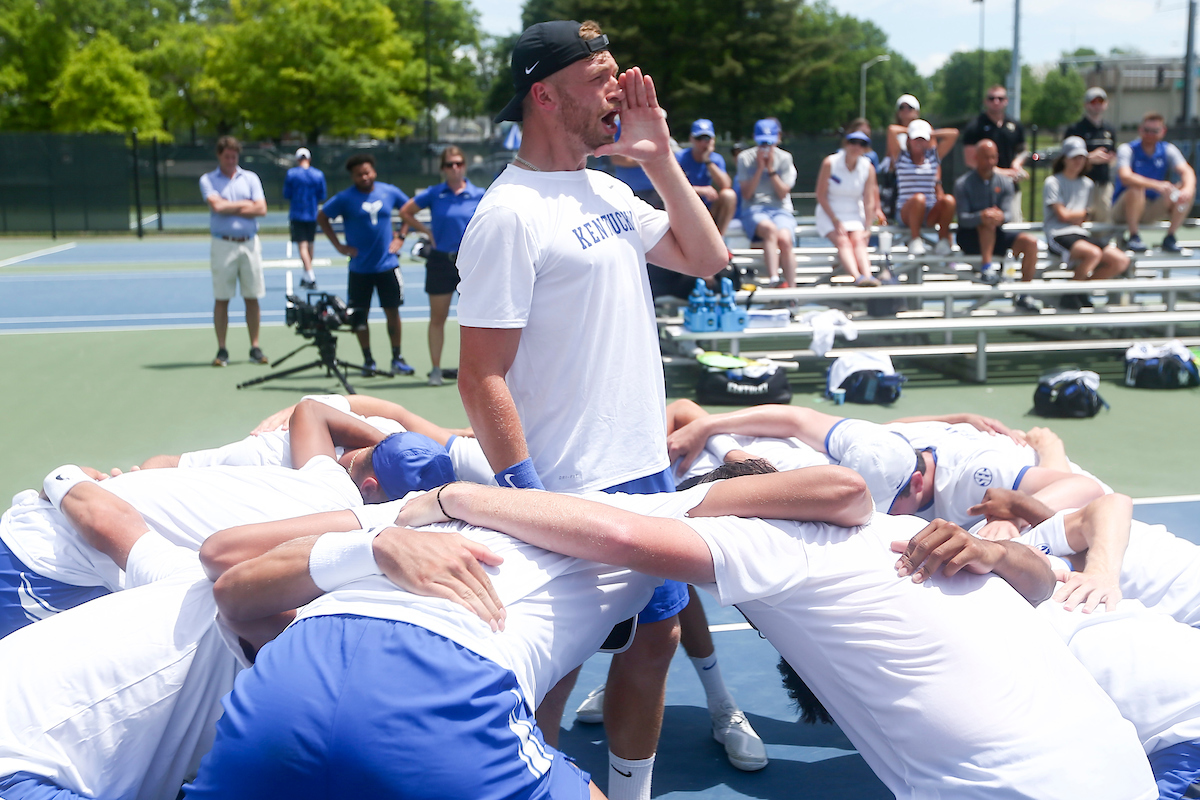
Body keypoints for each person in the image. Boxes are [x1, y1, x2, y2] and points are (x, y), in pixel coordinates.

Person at [388, 478, 1158, 800]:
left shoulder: (778, 545)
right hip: (1120, 771)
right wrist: (995, 552)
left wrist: (455, 498)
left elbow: (621, 536)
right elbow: (1035, 581)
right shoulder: (915, 532)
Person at [455, 19, 726, 799]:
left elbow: (706, 260)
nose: (619, 88)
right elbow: (481, 376)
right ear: (546, 94)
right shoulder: (508, 214)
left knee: (658, 635)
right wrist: (525, 495)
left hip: (644, 470)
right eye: (599, 76)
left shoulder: (607, 187)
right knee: (555, 665)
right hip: (567, 485)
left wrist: (661, 159)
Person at [318, 154, 414, 377]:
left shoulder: (388, 191)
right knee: (359, 316)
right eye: (359, 174)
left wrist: (400, 236)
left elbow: (409, 209)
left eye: (367, 172)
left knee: (393, 312)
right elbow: (322, 217)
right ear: (352, 176)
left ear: (374, 172)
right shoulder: (344, 198)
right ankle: (368, 361)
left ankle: (397, 358)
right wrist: (339, 246)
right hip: (359, 269)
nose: (364, 177)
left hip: (387, 266)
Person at [399, 145, 485, 386]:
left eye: (458, 163)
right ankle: (436, 369)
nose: (454, 168)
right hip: (440, 262)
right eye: (449, 164)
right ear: (443, 169)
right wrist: (427, 231)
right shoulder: (435, 193)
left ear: (465, 166)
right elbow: (406, 211)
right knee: (437, 318)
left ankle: (476, 371)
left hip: (469, 263)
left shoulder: (479, 194)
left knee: (477, 320)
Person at [199, 136, 269, 368]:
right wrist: (245, 204)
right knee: (222, 298)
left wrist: (231, 206)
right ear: (219, 155)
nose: (231, 160)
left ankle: (255, 347)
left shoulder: (250, 178)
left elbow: (261, 208)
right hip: (223, 244)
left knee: (252, 296)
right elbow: (216, 206)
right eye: (227, 156)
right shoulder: (208, 180)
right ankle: (222, 349)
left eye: (234, 156)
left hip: (249, 243)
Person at [1044, 136, 1131, 310]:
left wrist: (1078, 215)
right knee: (1093, 254)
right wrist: (1081, 214)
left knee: (1120, 260)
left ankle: (1079, 291)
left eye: (1082, 157)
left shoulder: (1087, 184)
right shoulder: (1052, 182)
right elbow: (1062, 215)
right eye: (1074, 157)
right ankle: (1070, 296)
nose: (1078, 161)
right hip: (1058, 234)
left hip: (1080, 234)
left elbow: (1083, 216)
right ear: (1064, 159)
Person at [953, 139, 1039, 293]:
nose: (990, 162)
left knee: (1030, 242)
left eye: (993, 157)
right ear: (976, 158)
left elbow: (1007, 213)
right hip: (970, 238)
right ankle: (987, 268)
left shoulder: (1005, 183)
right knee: (987, 222)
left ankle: (1025, 292)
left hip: (997, 234)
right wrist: (982, 216)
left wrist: (999, 216)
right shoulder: (963, 184)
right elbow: (963, 218)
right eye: (986, 157)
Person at [1112, 112, 1196, 253]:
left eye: (1155, 131)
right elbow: (1125, 176)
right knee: (1136, 187)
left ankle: (1170, 237)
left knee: (1187, 189)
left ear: (1163, 131)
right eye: (1146, 130)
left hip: (1151, 208)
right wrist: (1156, 185)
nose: (1150, 134)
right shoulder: (1128, 149)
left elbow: (1187, 172)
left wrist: (1186, 190)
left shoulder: (1168, 149)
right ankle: (1133, 236)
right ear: (1140, 130)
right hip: (1123, 210)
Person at [814, 129, 881, 286]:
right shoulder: (830, 163)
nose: (857, 147)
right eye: (853, 142)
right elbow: (820, 195)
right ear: (846, 144)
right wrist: (835, 220)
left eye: (862, 144)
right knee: (843, 241)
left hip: (854, 213)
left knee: (859, 240)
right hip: (829, 212)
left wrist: (868, 227)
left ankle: (868, 276)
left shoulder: (868, 167)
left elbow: (868, 199)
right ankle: (857, 277)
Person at [736, 118, 797, 286]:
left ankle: (792, 289)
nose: (766, 148)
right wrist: (759, 168)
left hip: (779, 209)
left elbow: (783, 193)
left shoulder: (784, 158)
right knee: (770, 229)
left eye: (769, 143)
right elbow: (747, 195)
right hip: (754, 209)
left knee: (784, 239)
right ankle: (773, 279)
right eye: (762, 143)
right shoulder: (745, 158)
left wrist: (770, 169)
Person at [962, 85, 1029, 222]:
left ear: (1006, 101)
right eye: (991, 98)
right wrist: (1003, 172)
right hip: (982, 187)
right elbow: (970, 160)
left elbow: (1023, 150)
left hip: (1010, 187)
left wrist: (1017, 165)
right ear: (985, 102)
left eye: (1000, 98)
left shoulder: (1015, 125)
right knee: (987, 224)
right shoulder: (974, 127)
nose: (996, 102)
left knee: (1013, 226)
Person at [894, 120, 956, 256]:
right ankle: (915, 239)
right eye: (916, 139)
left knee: (949, 200)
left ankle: (943, 241)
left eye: (923, 140)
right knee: (919, 199)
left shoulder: (933, 156)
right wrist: (909, 130)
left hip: (929, 211)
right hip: (906, 211)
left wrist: (930, 132)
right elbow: (892, 130)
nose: (919, 143)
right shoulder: (900, 156)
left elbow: (953, 134)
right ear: (909, 140)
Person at [1064, 87, 1118, 223]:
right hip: (1080, 182)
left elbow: (1114, 154)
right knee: (1080, 220)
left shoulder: (1109, 130)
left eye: (1101, 101)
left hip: (1103, 184)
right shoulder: (1075, 129)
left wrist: (1110, 159)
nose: (1097, 105)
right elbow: (1065, 157)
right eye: (1093, 101)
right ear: (1086, 104)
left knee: (1103, 221)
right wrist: (1089, 158)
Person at [677, 118, 737, 235]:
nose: (703, 143)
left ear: (713, 140)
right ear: (691, 139)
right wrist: (701, 190)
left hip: (710, 209)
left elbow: (726, 185)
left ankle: (720, 241)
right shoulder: (680, 157)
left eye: (707, 138)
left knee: (729, 195)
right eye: (699, 138)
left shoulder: (716, 159)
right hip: (686, 208)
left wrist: (707, 161)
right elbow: (672, 188)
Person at [283, 147, 327, 289]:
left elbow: (286, 194)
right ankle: (306, 275)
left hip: (297, 213)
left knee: (302, 246)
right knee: (310, 245)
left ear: (297, 159)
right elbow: (322, 195)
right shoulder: (318, 174)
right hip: (312, 213)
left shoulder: (292, 174)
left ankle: (310, 275)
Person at [885, 94, 958, 167]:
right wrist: (912, 130)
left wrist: (922, 131)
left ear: (917, 111)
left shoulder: (925, 131)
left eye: (910, 107)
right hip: (901, 173)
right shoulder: (895, 134)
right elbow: (890, 154)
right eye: (902, 107)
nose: (905, 110)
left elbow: (934, 156)